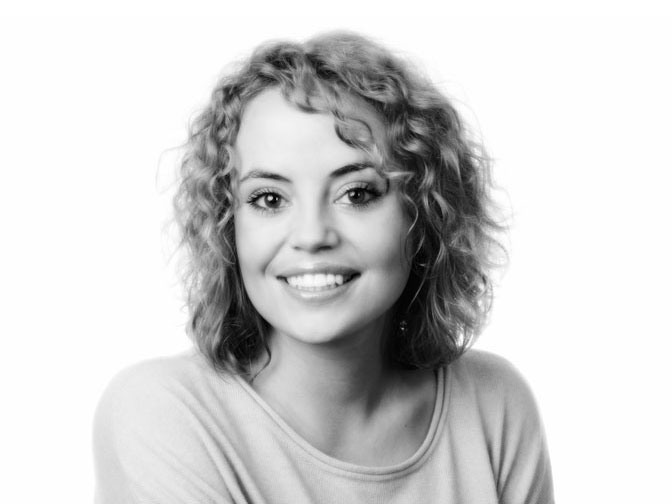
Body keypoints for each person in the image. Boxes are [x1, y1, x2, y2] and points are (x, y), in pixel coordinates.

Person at [93, 31, 554, 503]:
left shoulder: (493, 404)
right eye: (269, 199)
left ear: (423, 216)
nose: (312, 235)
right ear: (229, 226)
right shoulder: (162, 413)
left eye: (357, 193)